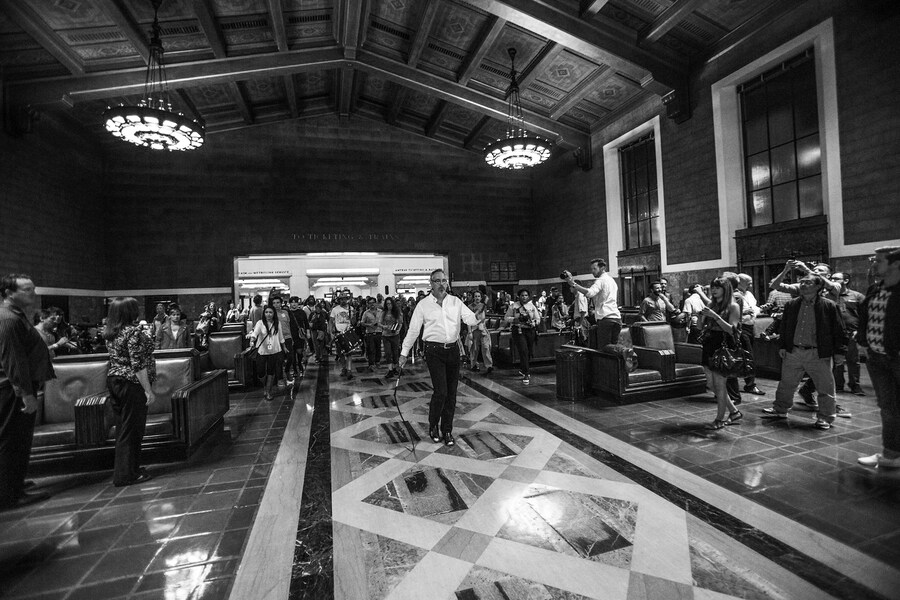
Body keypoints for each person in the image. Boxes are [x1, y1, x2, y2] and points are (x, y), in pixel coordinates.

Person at [399, 269, 478, 447]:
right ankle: (433, 425)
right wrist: (404, 353)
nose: (441, 284)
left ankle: (447, 429)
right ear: (431, 283)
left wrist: (477, 317)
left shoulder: (455, 302)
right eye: (437, 281)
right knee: (440, 391)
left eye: (444, 280)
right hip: (433, 351)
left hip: (453, 350)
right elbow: (413, 331)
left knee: (451, 393)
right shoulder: (423, 305)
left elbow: (470, 319)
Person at [762, 274, 847, 430]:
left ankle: (826, 417)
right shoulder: (792, 305)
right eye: (801, 282)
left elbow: (838, 329)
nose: (803, 285)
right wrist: (782, 346)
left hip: (818, 352)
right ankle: (780, 409)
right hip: (794, 351)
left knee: (825, 387)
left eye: (808, 282)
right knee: (786, 384)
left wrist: (839, 352)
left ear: (818, 287)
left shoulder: (828, 305)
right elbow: (785, 327)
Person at [0, 274, 55, 508]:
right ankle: (9, 494)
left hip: (19, 388)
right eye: (26, 290)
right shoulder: (8, 319)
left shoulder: (16, 315)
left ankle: (15, 483)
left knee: (20, 440)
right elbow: (14, 361)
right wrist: (27, 395)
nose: (33, 294)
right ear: (8, 293)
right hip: (14, 390)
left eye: (33, 288)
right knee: (12, 441)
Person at [103, 297, 156, 487]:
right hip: (131, 383)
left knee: (123, 428)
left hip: (115, 380)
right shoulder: (132, 332)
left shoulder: (111, 332)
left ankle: (131, 469)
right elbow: (138, 364)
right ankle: (126, 475)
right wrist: (148, 390)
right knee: (132, 429)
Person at [857, 247, 900, 468]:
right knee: (888, 407)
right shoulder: (875, 289)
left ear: (895, 264)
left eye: (879, 260)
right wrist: (863, 342)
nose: (874, 264)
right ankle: (891, 455)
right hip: (877, 357)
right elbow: (865, 318)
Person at [698, 277, 743, 430]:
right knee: (712, 384)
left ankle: (719, 419)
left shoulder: (733, 306)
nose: (714, 290)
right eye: (713, 287)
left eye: (718, 287)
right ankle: (734, 412)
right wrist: (700, 316)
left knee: (719, 384)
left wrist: (715, 317)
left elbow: (732, 329)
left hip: (722, 345)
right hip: (709, 344)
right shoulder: (711, 305)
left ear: (726, 289)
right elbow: (700, 326)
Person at [564, 258, 622, 348]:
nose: (592, 271)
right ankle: (624, 352)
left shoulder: (600, 280)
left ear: (602, 268)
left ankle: (625, 351)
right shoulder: (612, 281)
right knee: (613, 348)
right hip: (617, 319)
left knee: (604, 349)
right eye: (591, 269)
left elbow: (590, 293)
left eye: (594, 269)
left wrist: (573, 283)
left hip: (605, 319)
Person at [830, 272, 866, 395]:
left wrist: (860, 331)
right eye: (831, 278)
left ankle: (855, 386)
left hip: (851, 333)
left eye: (836, 278)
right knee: (837, 360)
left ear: (845, 281)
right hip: (834, 334)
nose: (832, 280)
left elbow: (865, 316)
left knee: (853, 360)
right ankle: (838, 385)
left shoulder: (857, 296)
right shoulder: (829, 296)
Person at [736, 273, 765, 395]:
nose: (751, 285)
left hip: (750, 326)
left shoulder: (749, 294)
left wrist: (759, 309)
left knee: (749, 355)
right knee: (748, 356)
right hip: (740, 327)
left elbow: (755, 307)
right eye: (748, 283)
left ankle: (749, 382)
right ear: (739, 282)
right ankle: (750, 384)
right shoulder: (734, 295)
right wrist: (744, 311)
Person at [250, 305, 286, 400]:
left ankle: (269, 391)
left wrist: (284, 347)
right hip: (262, 351)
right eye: (266, 312)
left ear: (274, 314)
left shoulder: (277, 323)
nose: (268, 314)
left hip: (274, 350)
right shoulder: (260, 323)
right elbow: (255, 332)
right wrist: (252, 339)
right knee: (260, 372)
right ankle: (265, 386)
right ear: (264, 313)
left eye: (270, 312)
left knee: (271, 371)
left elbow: (281, 337)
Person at [505, 289, 540, 384]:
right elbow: (506, 317)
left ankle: (523, 368)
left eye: (526, 295)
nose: (524, 297)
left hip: (530, 330)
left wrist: (534, 322)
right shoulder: (513, 306)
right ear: (518, 296)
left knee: (528, 351)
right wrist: (515, 319)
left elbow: (537, 318)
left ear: (528, 297)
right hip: (519, 330)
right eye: (522, 295)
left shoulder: (531, 306)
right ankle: (526, 373)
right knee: (523, 350)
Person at [270, 296, 295, 385]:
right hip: (277, 339)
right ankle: (280, 378)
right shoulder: (271, 314)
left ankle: (287, 371)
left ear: (281, 303)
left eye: (278, 303)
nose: (276, 305)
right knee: (279, 359)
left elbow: (288, 325)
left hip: (287, 338)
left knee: (290, 357)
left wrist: (291, 338)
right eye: (274, 303)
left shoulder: (285, 312)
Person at [330, 292, 356, 379]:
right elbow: (331, 321)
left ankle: (349, 370)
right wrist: (331, 332)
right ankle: (344, 368)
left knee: (349, 352)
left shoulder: (350, 309)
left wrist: (354, 316)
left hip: (348, 333)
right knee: (340, 353)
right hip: (338, 333)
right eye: (341, 299)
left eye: (344, 299)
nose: (343, 301)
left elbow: (353, 322)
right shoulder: (335, 309)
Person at [467, 291, 493, 373]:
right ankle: (473, 364)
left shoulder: (483, 306)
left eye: (479, 296)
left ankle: (489, 365)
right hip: (474, 330)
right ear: (473, 297)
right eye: (476, 296)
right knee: (474, 348)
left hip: (483, 329)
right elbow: (469, 320)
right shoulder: (470, 307)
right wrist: (469, 332)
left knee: (486, 347)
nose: (477, 298)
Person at [287, 297, 310, 380]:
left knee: (299, 351)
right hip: (290, 335)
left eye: (295, 302)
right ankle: (295, 370)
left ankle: (300, 365)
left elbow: (306, 323)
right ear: (289, 303)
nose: (294, 304)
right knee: (292, 353)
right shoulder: (287, 313)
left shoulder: (302, 312)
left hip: (299, 335)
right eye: (292, 302)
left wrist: (307, 332)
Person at [380, 297, 404, 378]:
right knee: (388, 352)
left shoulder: (397, 312)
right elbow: (379, 323)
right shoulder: (383, 313)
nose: (389, 305)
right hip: (386, 335)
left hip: (394, 335)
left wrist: (398, 330)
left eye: (390, 303)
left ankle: (395, 368)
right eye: (387, 304)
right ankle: (390, 370)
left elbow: (400, 323)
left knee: (395, 352)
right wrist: (384, 326)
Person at [361, 297, 383, 372]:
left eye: (373, 303)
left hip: (379, 332)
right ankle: (371, 364)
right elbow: (362, 323)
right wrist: (369, 325)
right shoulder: (366, 313)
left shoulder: (380, 312)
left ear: (376, 303)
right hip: (370, 333)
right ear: (368, 304)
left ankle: (377, 361)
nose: (372, 304)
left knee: (378, 348)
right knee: (371, 349)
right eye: (370, 303)